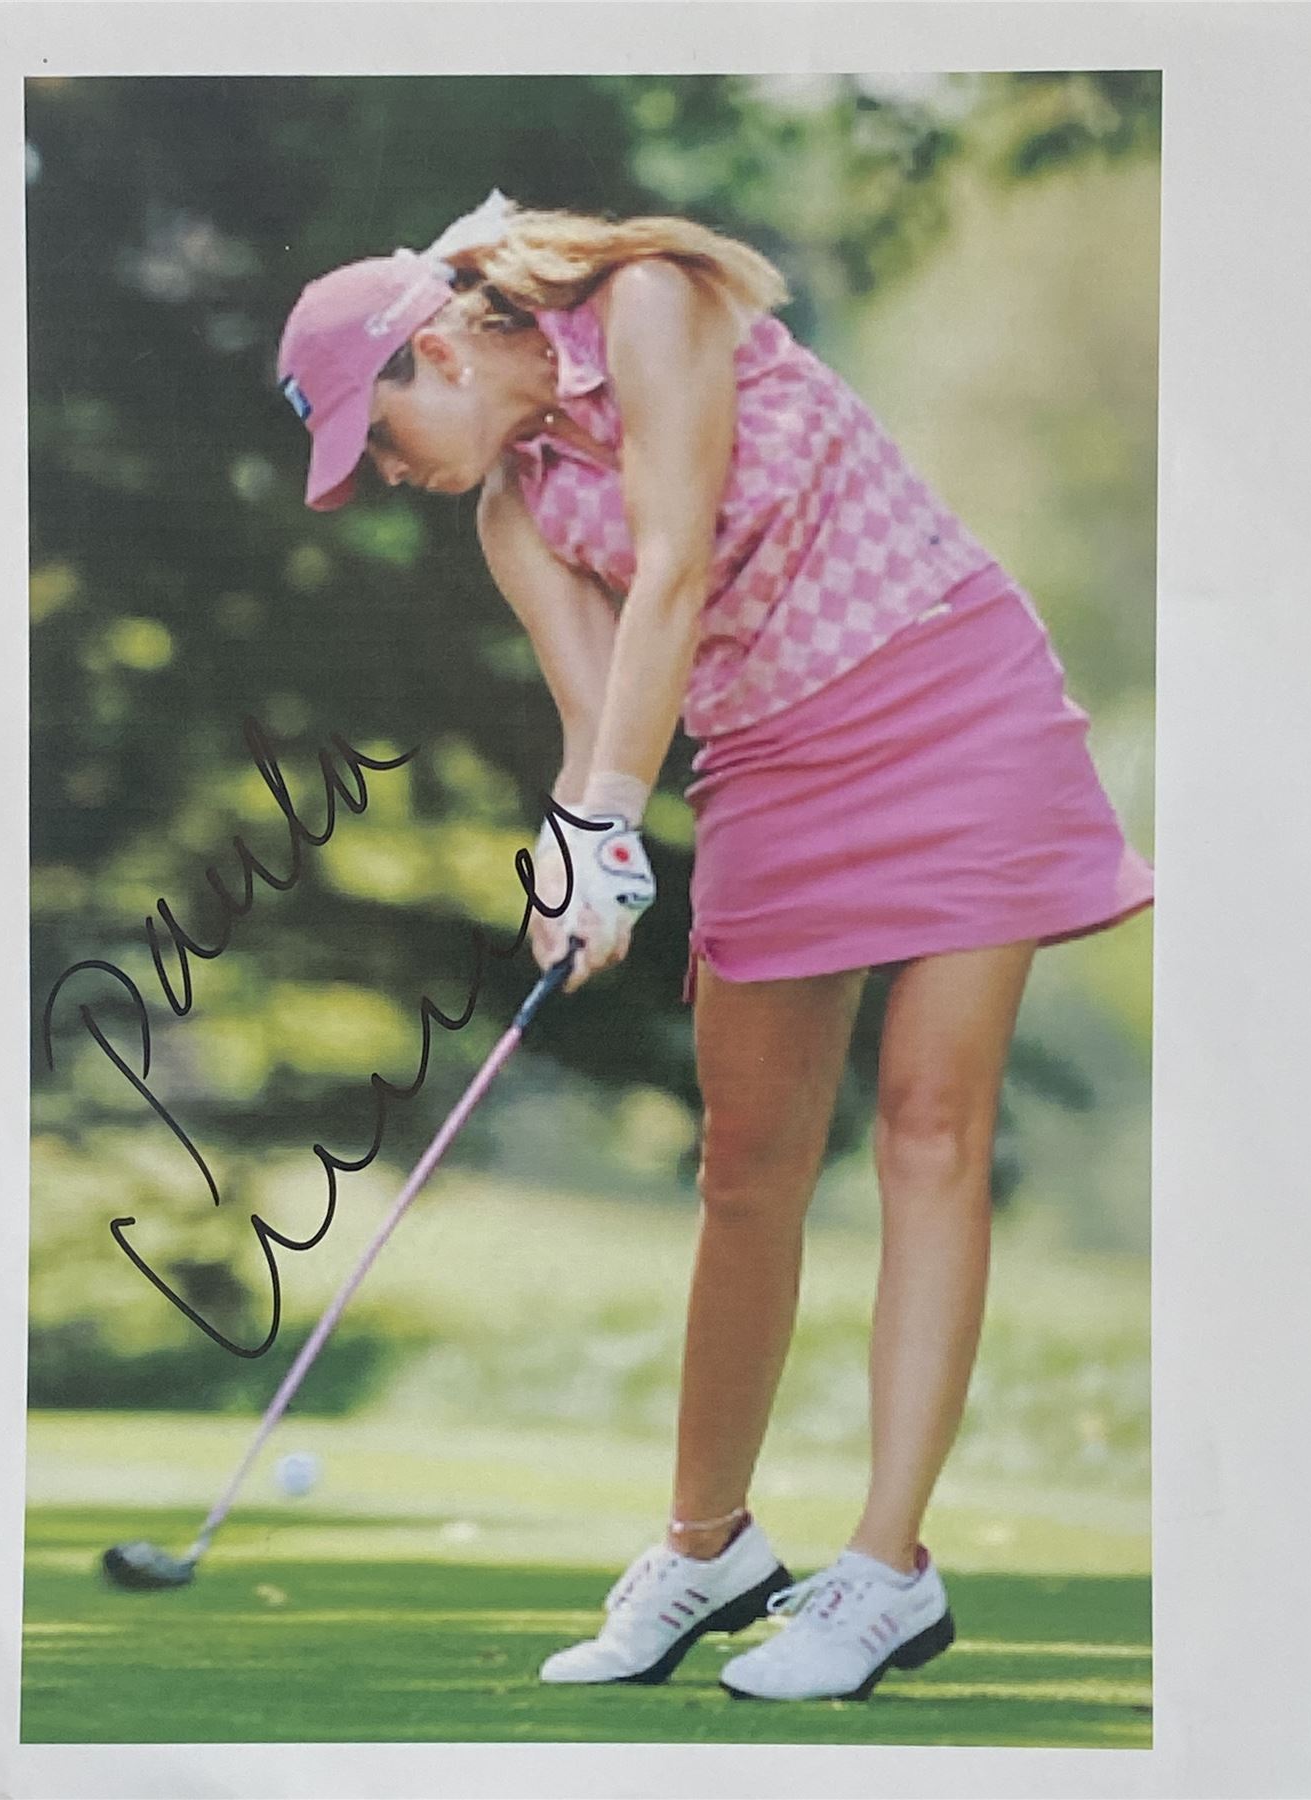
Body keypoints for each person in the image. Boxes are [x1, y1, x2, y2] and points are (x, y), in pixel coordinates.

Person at [276, 190, 1155, 1703]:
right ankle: (707, 1548)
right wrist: (575, 863)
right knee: (747, 1165)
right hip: (770, 760)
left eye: (382, 435)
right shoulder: (512, 514)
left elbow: (677, 556)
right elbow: (602, 715)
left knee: (928, 1128)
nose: (389, 475)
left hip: (951, 701)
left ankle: (885, 1571)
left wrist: (612, 817)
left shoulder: (649, 302)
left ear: (440, 350)